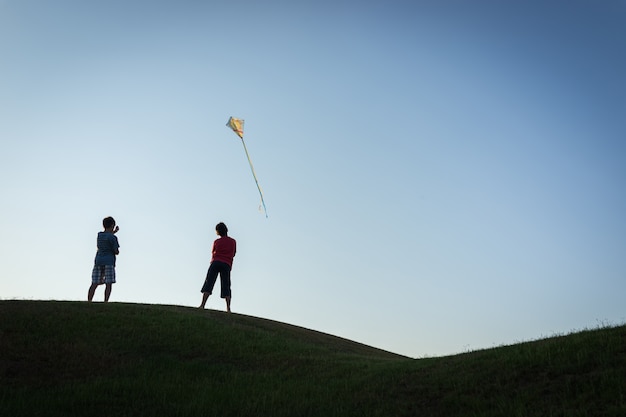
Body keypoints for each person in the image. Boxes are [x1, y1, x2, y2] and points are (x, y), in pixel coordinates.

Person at [199, 222, 236, 312]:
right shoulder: (233, 241)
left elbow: (213, 252)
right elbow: (233, 253)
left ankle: (202, 305)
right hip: (226, 264)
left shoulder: (217, 242)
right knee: (226, 285)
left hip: (216, 262)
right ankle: (228, 308)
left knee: (209, 283)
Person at [88, 216, 120, 302]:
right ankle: (105, 301)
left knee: (94, 283)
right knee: (108, 283)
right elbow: (116, 251)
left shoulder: (99, 235)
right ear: (112, 225)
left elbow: (107, 236)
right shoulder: (113, 238)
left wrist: (114, 232)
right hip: (109, 261)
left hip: (98, 261)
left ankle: (89, 300)